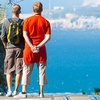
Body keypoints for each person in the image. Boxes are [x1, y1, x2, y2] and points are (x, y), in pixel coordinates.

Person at [14, 1, 51, 98]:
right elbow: (48, 37)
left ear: (33, 9)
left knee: (26, 70)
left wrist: (31, 46)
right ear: (41, 10)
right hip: (41, 49)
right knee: (42, 71)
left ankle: (24, 92)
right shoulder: (46, 22)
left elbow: (25, 35)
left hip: (29, 49)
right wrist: (38, 46)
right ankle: (41, 93)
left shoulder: (27, 20)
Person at [1, 4, 24, 97]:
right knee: (19, 70)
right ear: (20, 12)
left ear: (12, 11)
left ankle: (9, 91)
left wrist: (6, 47)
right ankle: (16, 90)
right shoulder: (23, 22)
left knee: (9, 70)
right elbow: (25, 37)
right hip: (20, 48)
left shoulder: (6, 22)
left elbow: (3, 37)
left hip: (9, 48)